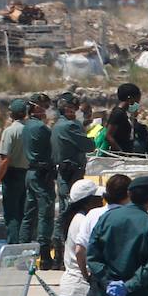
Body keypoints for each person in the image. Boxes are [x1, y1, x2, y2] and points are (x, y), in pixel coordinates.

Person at [52, 92, 97, 267]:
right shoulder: (71, 126)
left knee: (64, 211)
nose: (75, 111)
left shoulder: (58, 125)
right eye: (73, 108)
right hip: (72, 174)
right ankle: (63, 254)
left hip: (64, 173)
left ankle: (56, 254)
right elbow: (89, 145)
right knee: (68, 213)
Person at [19, 93, 57, 269]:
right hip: (42, 175)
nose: (46, 109)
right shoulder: (41, 128)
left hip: (31, 173)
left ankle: (22, 251)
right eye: (44, 106)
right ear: (35, 107)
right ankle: (44, 255)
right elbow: (52, 149)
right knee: (45, 214)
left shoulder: (26, 126)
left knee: (29, 213)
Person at [0, 99, 29, 245]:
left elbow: (5, 159)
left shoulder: (9, 131)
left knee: (11, 215)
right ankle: (23, 245)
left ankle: (13, 247)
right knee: (23, 213)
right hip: (27, 174)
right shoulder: (30, 130)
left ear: (12, 113)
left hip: (12, 174)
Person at [104, 83, 141, 154]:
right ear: (130, 98)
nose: (138, 103)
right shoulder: (118, 113)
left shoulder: (124, 113)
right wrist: (121, 153)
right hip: (118, 158)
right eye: (137, 100)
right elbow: (108, 136)